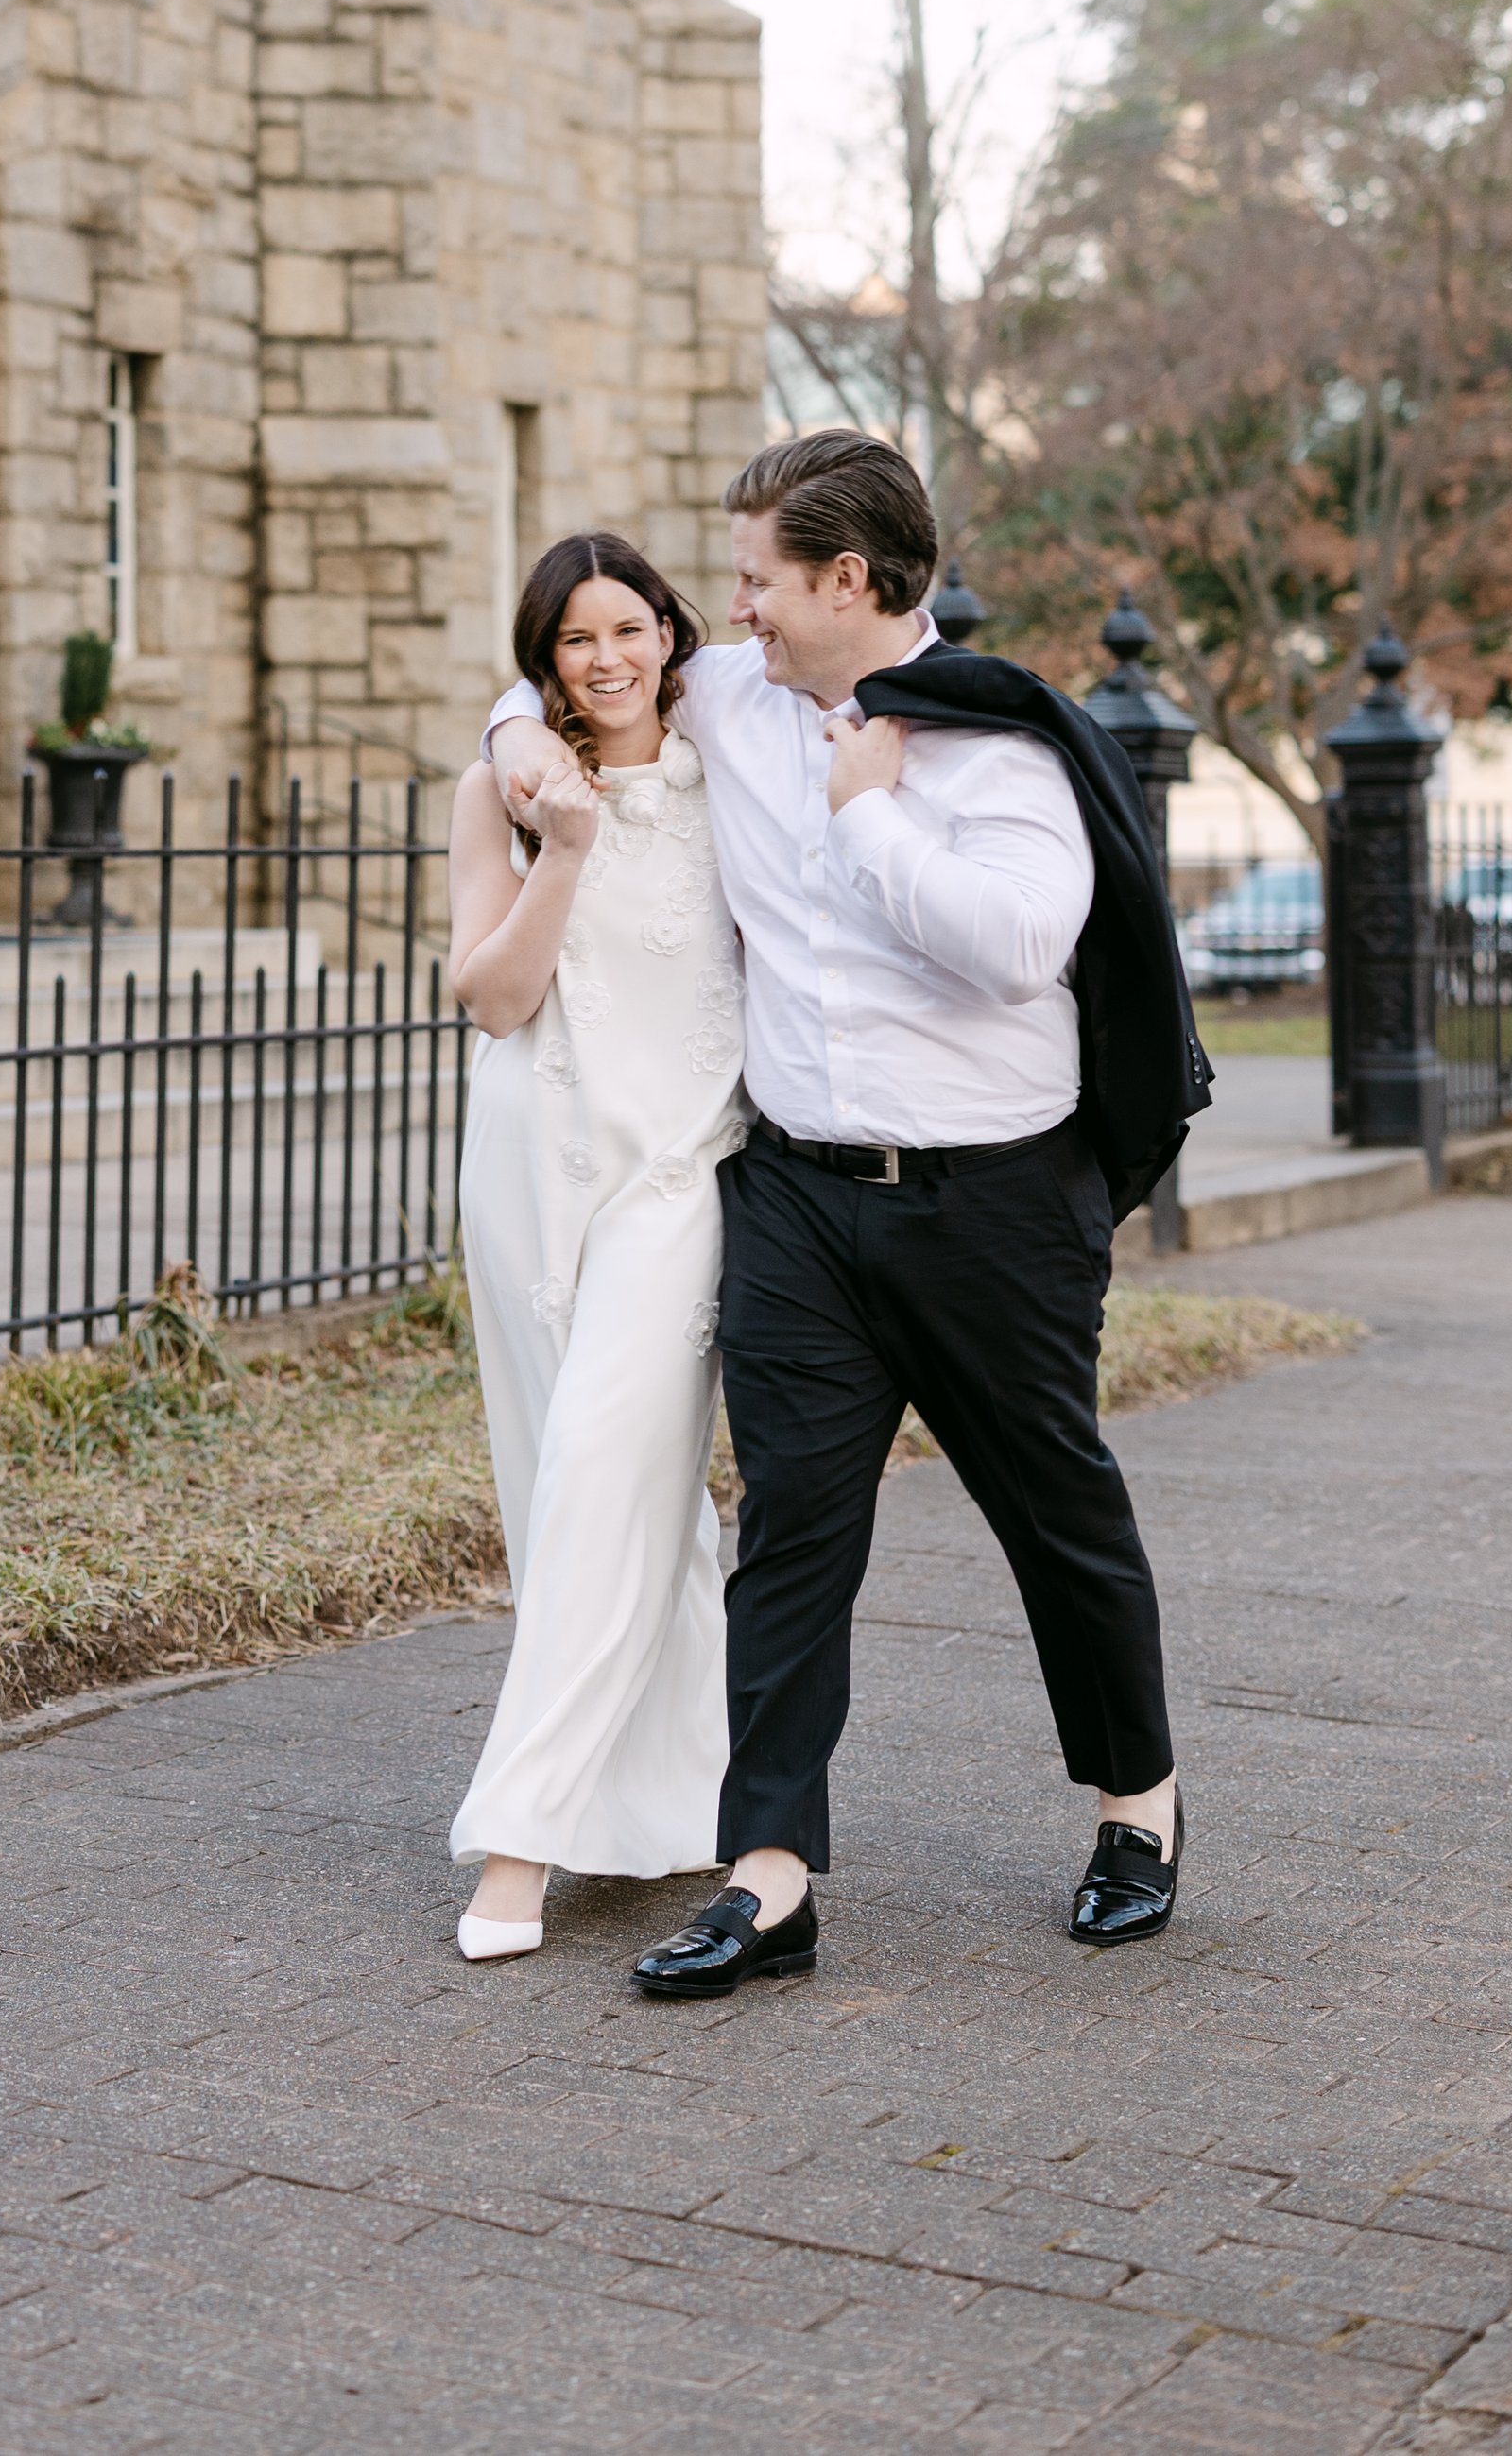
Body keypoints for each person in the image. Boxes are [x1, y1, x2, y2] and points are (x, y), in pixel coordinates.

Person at [487, 430, 1203, 1998]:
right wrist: (510, 745)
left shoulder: (1000, 746)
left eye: (757, 580)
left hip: (994, 1203)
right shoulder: (732, 699)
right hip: (802, 1193)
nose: (729, 607)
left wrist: (873, 812)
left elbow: (1019, 948)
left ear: (847, 582)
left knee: (1052, 1506)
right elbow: (586, 677)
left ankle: (1135, 1814)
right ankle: (772, 1876)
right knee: (794, 1531)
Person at [443, 534, 747, 1962]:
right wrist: (561, 842)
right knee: (584, 1490)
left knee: (602, 1471)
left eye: (631, 626)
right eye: (575, 638)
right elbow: (493, 998)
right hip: (529, 1165)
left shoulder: (730, 766)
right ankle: (677, 1797)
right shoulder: (501, 789)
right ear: (543, 657)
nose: (607, 656)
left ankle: (523, 1838)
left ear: (671, 635)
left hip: (679, 1180)